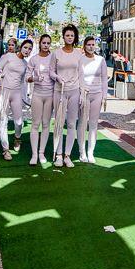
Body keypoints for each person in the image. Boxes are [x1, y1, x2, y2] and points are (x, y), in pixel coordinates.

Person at [49, 24, 82, 168]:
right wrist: (57, 77)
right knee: (59, 123)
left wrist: (82, 92)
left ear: (75, 38)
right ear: (63, 37)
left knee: (71, 124)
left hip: (74, 91)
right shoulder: (56, 53)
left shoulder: (78, 54)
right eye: (67, 35)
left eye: (72, 35)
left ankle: (67, 155)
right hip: (59, 91)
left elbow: (81, 74)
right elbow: (51, 71)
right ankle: (58, 155)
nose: (69, 37)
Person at [0, 38, 32, 161]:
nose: (27, 50)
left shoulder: (25, 64)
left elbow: (23, 82)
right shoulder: (8, 56)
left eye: (30, 49)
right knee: (3, 120)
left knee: (19, 122)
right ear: (20, 47)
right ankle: (5, 149)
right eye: (25, 47)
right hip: (4, 91)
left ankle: (17, 138)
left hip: (16, 94)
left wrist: (25, 98)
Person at [78, 37, 108, 164]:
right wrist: (81, 91)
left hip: (97, 94)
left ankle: (90, 152)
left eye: (93, 44)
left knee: (93, 124)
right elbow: (78, 77)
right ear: (84, 46)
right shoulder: (80, 59)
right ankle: (82, 151)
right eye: (88, 44)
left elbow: (104, 79)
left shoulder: (101, 60)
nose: (91, 47)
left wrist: (104, 96)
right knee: (82, 123)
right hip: (84, 94)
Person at [27, 34, 54, 165]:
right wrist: (35, 78)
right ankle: (34, 154)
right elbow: (27, 77)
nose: (46, 45)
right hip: (37, 94)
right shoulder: (34, 59)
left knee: (46, 124)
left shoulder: (53, 58)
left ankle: (41, 152)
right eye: (44, 43)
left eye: (48, 43)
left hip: (50, 95)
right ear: (40, 43)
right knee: (35, 124)